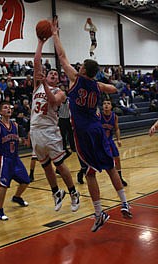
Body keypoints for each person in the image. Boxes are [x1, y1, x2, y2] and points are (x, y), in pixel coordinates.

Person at [51, 17, 132, 232]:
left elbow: (61, 56)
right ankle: (124, 202)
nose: (78, 65)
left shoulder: (75, 78)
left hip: (84, 132)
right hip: (97, 129)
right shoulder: (97, 86)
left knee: (89, 173)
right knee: (110, 167)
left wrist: (55, 34)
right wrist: (118, 84)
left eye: (81, 65)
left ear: (84, 70)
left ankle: (98, 213)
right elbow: (114, 89)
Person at [30, 36, 80, 212]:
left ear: (57, 80)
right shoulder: (37, 86)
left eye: (55, 74)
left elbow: (52, 102)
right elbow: (36, 62)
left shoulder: (61, 92)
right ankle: (56, 192)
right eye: (50, 73)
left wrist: (44, 82)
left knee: (59, 164)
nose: (52, 74)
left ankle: (73, 192)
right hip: (35, 130)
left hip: (50, 130)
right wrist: (40, 43)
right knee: (45, 166)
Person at [0, 101, 30, 220]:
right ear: (0, 111)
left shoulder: (15, 125)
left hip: (15, 158)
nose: (9, 109)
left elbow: (15, 139)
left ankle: (17, 197)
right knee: (4, 186)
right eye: (5, 108)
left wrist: (23, 141)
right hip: (4, 159)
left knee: (26, 181)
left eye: (10, 108)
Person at [77, 98, 128, 186]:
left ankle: (120, 178)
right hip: (98, 141)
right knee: (93, 161)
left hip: (109, 141)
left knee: (117, 158)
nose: (106, 105)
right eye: (104, 103)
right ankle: (81, 172)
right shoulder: (98, 116)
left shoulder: (114, 116)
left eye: (108, 103)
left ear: (111, 106)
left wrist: (119, 139)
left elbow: (116, 128)